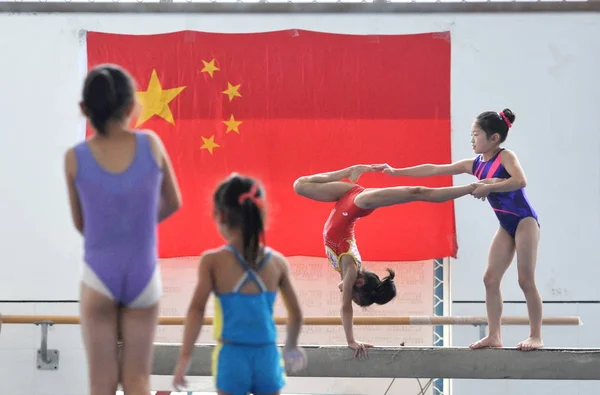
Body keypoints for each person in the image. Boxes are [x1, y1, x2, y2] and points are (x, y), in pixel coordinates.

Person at [373, 108, 543, 351]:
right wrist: (396, 172)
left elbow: (520, 181)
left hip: (525, 221)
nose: (472, 140)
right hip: (506, 225)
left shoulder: (505, 157)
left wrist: (491, 186)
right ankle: (494, 335)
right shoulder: (474, 165)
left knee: (525, 280)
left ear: (494, 138)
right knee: (489, 279)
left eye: (476, 135)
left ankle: (536, 335)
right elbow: (434, 169)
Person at [64, 63, 182, 394]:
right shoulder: (151, 144)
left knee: (101, 382)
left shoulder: (75, 157)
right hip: (143, 274)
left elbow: (80, 223)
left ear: (84, 109)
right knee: (138, 380)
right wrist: (138, 223)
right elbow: (173, 201)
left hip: (99, 275)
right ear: (132, 107)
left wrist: (112, 229)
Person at [293, 165, 480, 358]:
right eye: (352, 295)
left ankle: (348, 172)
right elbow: (345, 307)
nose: (346, 294)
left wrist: (346, 287)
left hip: (345, 198)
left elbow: (344, 286)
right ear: (359, 282)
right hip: (358, 203)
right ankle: (472, 188)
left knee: (300, 186)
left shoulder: (347, 273)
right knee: (417, 192)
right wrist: (351, 340)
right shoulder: (349, 269)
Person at [173, 174, 306, 395]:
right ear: (261, 214)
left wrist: (185, 357)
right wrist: (291, 346)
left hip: (232, 354)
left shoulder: (213, 261)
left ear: (220, 215)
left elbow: (196, 310)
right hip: (267, 354)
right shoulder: (277, 263)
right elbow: (297, 314)